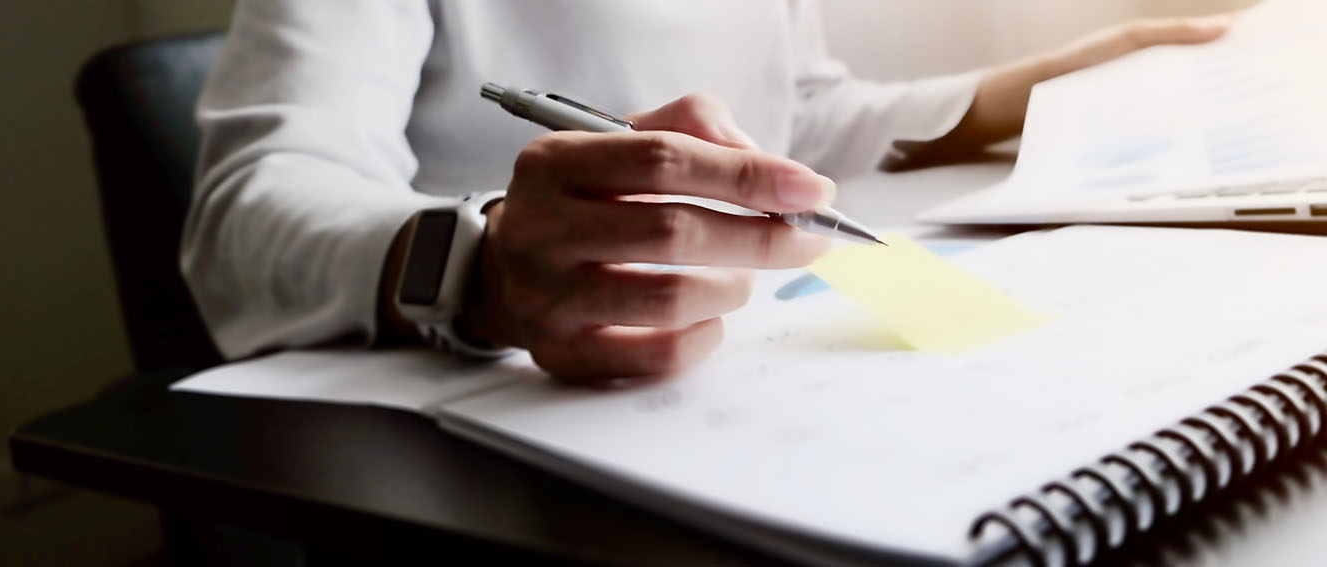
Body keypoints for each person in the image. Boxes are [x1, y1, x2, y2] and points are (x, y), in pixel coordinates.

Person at [182, 1, 1230, 384]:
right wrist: (480, 267)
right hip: (481, 422)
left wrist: (1017, 92)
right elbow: (246, 211)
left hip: (729, 371)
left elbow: (800, 114)